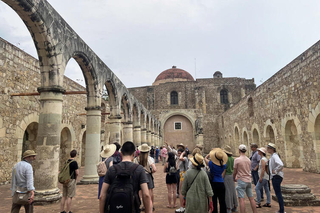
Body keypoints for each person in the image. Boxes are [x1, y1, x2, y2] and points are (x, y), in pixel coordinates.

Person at [99, 141, 152, 213]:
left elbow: (102, 195)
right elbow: (146, 194)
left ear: (121, 154)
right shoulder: (139, 169)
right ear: (133, 154)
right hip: (132, 208)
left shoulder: (112, 169)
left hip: (115, 208)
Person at [233, 144, 257, 213]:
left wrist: (234, 178)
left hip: (241, 180)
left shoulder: (237, 160)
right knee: (251, 198)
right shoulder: (248, 160)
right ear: (246, 150)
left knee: (241, 199)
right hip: (248, 180)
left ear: (239, 150)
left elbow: (235, 171)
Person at [134, 143, 157, 211]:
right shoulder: (149, 159)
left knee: (140, 193)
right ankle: (150, 207)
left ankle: (141, 206)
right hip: (147, 176)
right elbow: (155, 169)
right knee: (149, 193)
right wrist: (150, 172)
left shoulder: (136, 159)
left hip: (139, 176)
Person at [205, 148, 227, 213]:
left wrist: (209, 154)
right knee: (222, 201)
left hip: (213, 182)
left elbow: (205, 159)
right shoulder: (224, 164)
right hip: (221, 182)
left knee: (213, 200)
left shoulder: (211, 164)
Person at [267, 143, 285, 213]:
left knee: (278, 193)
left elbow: (281, 164)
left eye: (268, 148)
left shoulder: (274, 156)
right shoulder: (273, 156)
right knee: (278, 193)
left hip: (277, 176)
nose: (267, 149)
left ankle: (282, 210)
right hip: (275, 176)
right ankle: (281, 209)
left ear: (271, 149)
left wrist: (276, 170)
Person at [223, 145, 238, 213]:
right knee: (233, 191)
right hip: (232, 175)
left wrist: (222, 177)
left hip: (226, 176)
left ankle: (229, 207)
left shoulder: (225, 159)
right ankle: (235, 206)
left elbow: (224, 169)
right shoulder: (232, 158)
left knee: (227, 192)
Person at [175, 147, 189, 213]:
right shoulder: (182, 158)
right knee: (182, 191)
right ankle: (183, 206)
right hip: (182, 174)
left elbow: (180, 158)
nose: (179, 154)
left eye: (180, 153)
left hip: (183, 174)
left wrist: (182, 154)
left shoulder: (185, 158)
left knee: (181, 191)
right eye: (178, 153)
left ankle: (182, 207)